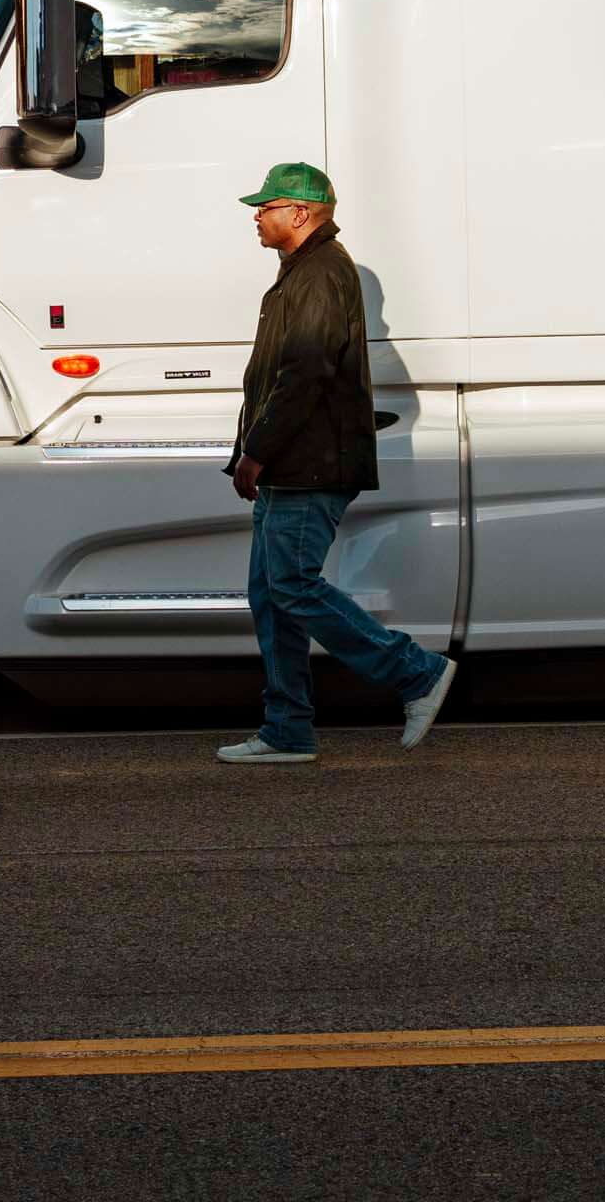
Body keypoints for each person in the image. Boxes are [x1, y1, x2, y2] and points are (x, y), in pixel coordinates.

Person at [216, 162, 457, 765]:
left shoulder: (321, 272)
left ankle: (416, 673)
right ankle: (287, 729)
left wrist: (257, 451)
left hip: (308, 462)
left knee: (292, 586)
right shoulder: (302, 270)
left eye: (267, 206)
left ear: (300, 213)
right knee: (273, 595)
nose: (257, 215)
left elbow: (304, 373)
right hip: (293, 462)